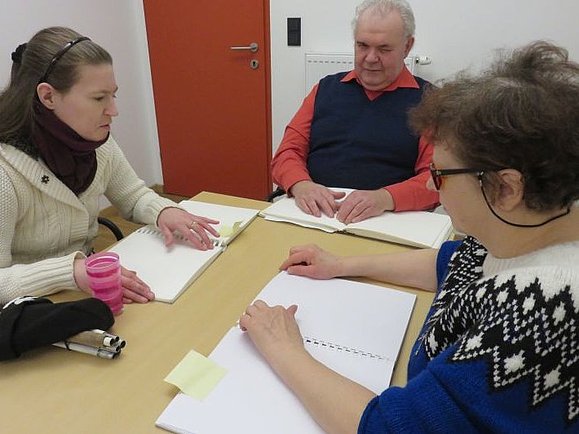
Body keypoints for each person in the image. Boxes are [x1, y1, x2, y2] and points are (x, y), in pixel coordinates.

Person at [240, 41, 579, 432]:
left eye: (440, 176)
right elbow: (455, 262)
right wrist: (341, 264)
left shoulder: (541, 314)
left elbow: (390, 427)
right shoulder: (530, 225)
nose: (433, 190)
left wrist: (284, 348)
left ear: (506, 188)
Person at [0, 27, 220, 306]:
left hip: (85, 291)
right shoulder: (5, 171)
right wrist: (71, 272)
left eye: (113, 95)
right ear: (48, 97)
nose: (113, 110)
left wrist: (164, 210)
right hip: (30, 310)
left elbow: (133, 196)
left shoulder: (96, 141)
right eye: (98, 98)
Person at [270, 0, 439, 224]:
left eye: (384, 49)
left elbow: (438, 178)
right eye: (362, 46)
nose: (370, 58)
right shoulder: (325, 88)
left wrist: (385, 198)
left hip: (388, 220)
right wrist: (301, 185)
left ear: (407, 46)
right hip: (313, 214)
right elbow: (287, 153)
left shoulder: (430, 103)